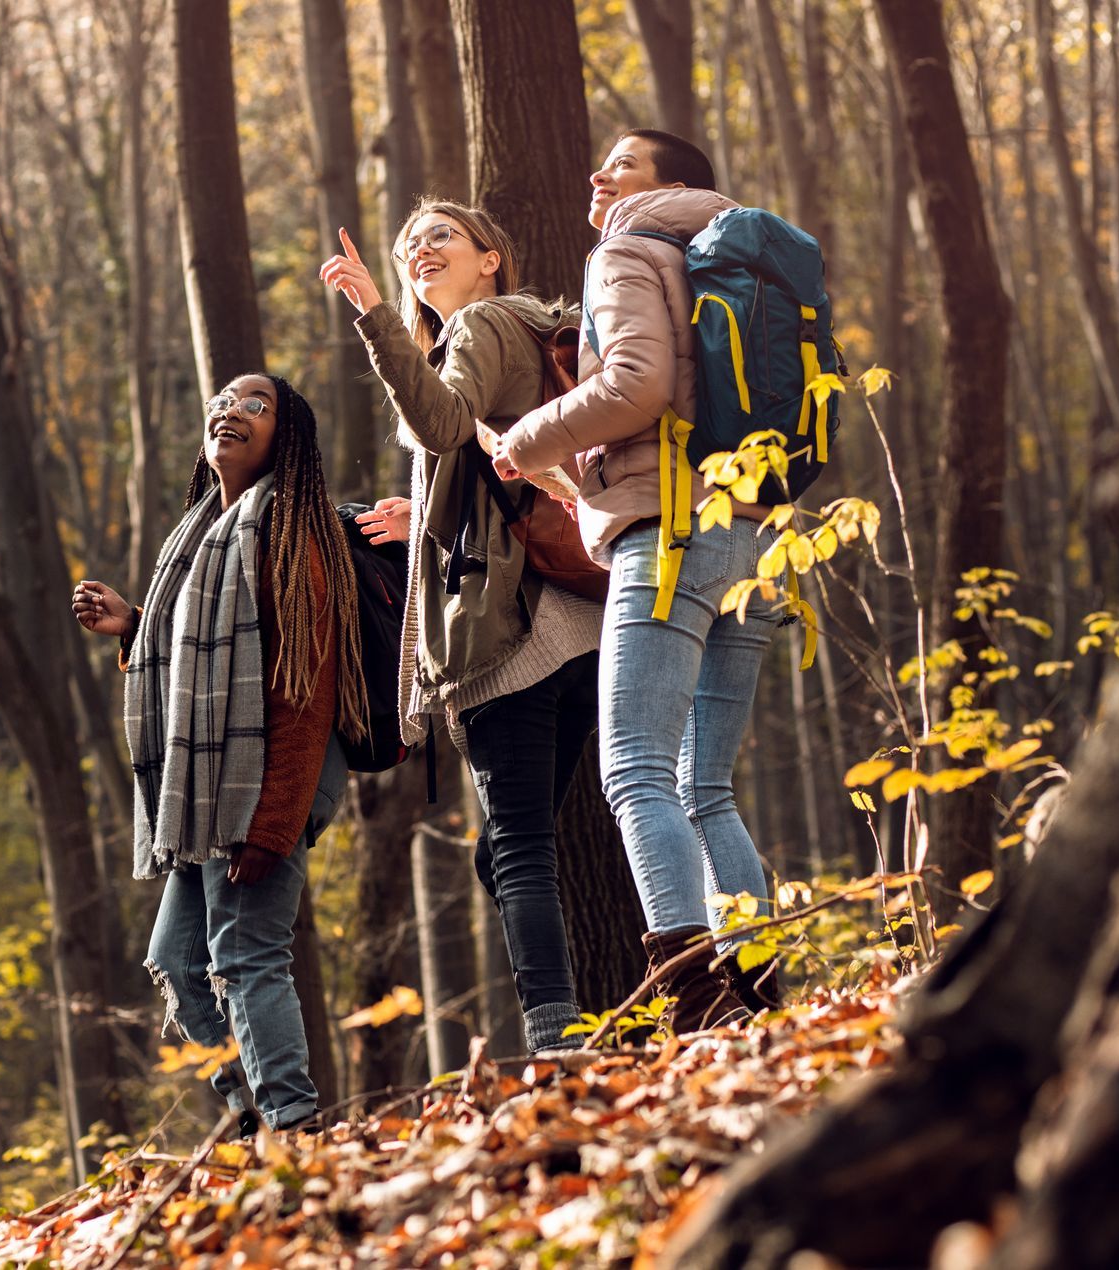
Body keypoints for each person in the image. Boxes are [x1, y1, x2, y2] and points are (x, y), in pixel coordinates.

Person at [493, 129, 778, 1029]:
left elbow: (637, 383)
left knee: (635, 770)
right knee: (708, 788)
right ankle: (763, 989)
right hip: (756, 537)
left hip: (669, 531)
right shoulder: (741, 257)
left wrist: (524, 440)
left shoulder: (628, 247)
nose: (597, 174)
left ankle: (697, 1001)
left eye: (620, 164)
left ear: (669, 185)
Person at [317, 201, 605, 1054]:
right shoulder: (525, 331)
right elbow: (489, 452)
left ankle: (555, 1038)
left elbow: (439, 425)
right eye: (411, 245)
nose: (419, 249)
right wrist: (432, 516)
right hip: (579, 620)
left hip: (508, 629)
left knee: (515, 845)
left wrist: (373, 313)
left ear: (491, 259)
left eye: (441, 235)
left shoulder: (481, 320)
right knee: (508, 850)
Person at [72, 373, 367, 1134]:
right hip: (212, 783)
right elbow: (205, 658)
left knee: (244, 952)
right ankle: (250, 1118)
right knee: (177, 959)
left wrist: (273, 823)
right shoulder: (205, 528)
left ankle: (297, 1131)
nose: (230, 412)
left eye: (254, 406)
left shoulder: (292, 528)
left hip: (275, 776)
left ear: (287, 435)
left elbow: (306, 686)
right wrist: (136, 623)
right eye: (220, 404)